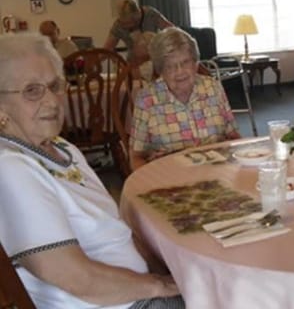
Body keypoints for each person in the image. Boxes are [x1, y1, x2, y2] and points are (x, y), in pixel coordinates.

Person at [0, 33, 185, 308]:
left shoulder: (64, 149)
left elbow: (114, 230)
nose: (52, 101)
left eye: (55, 86)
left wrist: (167, 273)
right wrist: (163, 285)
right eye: (32, 90)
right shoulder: (10, 167)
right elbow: (73, 277)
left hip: (136, 289)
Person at [130, 27, 240, 170]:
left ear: (195, 63)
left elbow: (234, 137)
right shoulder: (147, 100)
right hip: (169, 180)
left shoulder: (213, 87)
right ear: (161, 71)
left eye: (185, 62)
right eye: (170, 66)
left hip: (217, 172)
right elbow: (135, 156)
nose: (180, 71)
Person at [104, 0, 174, 66]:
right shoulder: (118, 25)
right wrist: (119, 63)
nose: (128, 27)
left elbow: (172, 31)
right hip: (134, 64)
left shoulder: (150, 14)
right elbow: (107, 49)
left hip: (154, 61)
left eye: (130, 22)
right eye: (124, 24)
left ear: (137, 14)